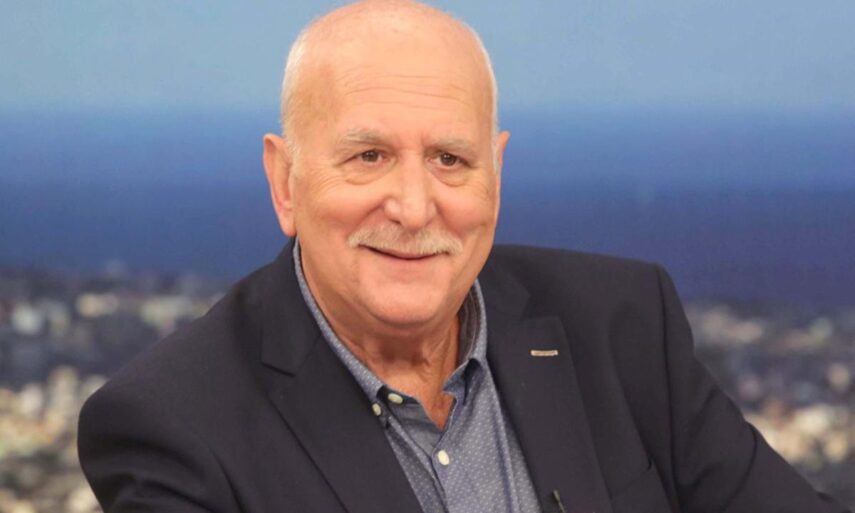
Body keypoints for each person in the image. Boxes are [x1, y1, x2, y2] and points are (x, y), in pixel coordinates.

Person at [77, 1, 850, 512]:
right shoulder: (173, 425)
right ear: (286, 181)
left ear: (496, 175)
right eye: (369, 156)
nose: (415, 208)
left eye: (450, 159)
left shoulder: (621, 324)